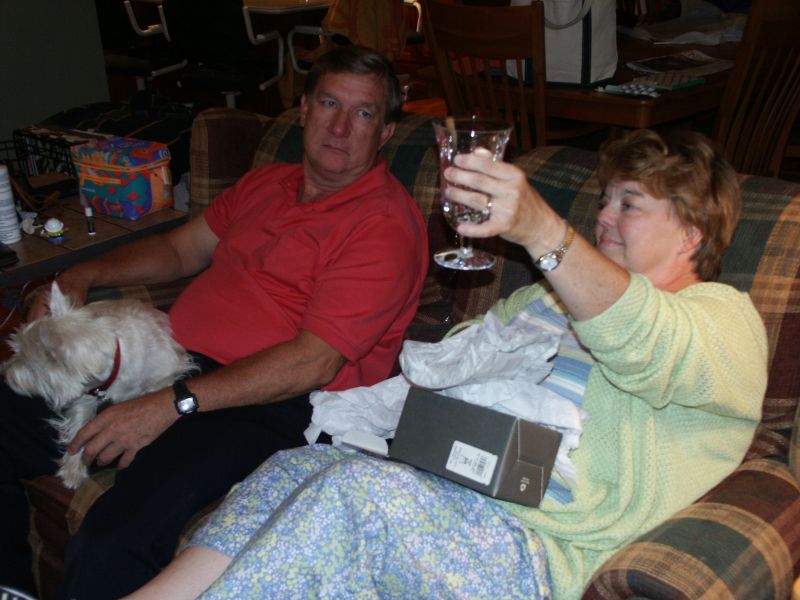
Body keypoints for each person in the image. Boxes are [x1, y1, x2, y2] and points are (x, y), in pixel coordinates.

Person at [125, 128, 768, 600]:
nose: (603, 215)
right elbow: (453, 367)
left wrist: (544, 231)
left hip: (535, 547)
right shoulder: (542, 301)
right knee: (297, 467)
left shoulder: (724, 322)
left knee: (357, 497)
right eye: (604, 199)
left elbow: (643, 337)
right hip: (444, 486)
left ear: (693, 232)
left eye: (630, 203)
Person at [0, 45, 428, 598]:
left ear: (385, 133)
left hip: (271, 404)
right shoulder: (266, 184)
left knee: (113, 540)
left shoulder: (383, 224)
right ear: (303, 109)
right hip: (171, 364)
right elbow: (180, 250)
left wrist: (172, 403)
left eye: (363, 112)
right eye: (329, 103)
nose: (341, 127)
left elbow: (314, 361)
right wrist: (82, 273)